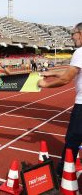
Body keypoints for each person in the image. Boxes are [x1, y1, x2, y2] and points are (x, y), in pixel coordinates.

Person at [38, 22, 82, 177]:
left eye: (74, 33)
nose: (72, 36)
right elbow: (72, 70)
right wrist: (52, 73)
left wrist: (45, 84)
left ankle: (62, 174)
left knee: (72, 141)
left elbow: (66, 79)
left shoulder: (80, 52)